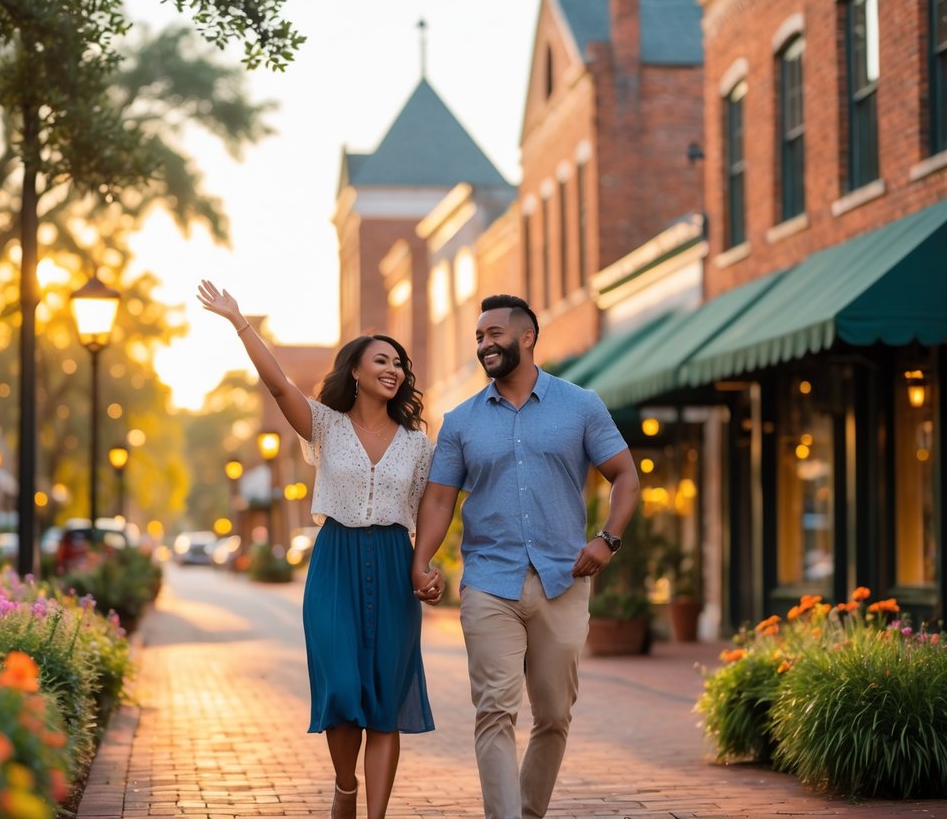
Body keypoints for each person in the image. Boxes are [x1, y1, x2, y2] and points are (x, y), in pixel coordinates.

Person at [198, 280, 438, 819]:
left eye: (399, 363)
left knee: (384, 702)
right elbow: (281, 386)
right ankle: (344, 786)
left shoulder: (418, 444)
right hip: (336, 562)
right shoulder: (327, 427)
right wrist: (240, 322)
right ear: (355, 370)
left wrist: (426, 563)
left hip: (395, 563)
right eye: (382, 359)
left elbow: (428, 512)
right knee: (343, 690)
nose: (393, 368)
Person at [409, 294, 640, 819]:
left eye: (494, 334)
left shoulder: (580, 405)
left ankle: (528, 811)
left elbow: (626, 475)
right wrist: (421, 560)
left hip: (564, 578)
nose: (484, 345)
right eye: (479, 338)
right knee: (494, 710)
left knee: (555, 714)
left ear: (527, 337)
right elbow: (441, 498)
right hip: (490, 582)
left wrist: (607, 539)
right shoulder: (461, 421)